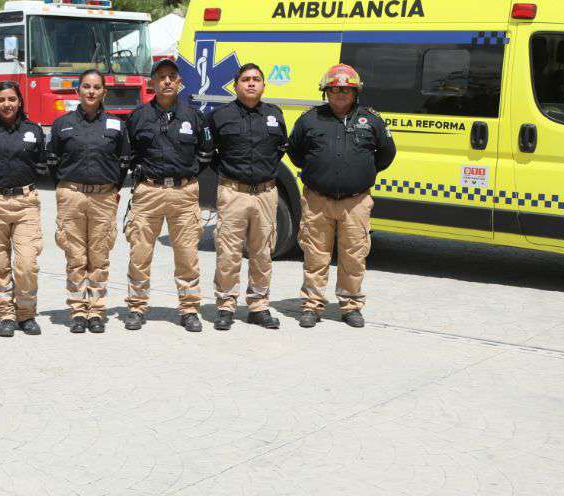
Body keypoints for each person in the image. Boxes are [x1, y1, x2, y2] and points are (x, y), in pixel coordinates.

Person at [287, 63, 396, 329]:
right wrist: (319, 171)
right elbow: (295, 152)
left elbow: (386, 154)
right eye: (334, 89)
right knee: (315, 255)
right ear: (325, 91)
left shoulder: (371, 119)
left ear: (355, 92)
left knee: (354, 256)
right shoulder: (310, 119)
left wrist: (359, 174)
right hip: (317, 201)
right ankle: (312, 306)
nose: (340, 93)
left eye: (346, 89)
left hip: (355, 202)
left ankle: (350, 306)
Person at [123, 58, 212, 332]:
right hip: (148, 191)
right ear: (152, 83)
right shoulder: (138, 117)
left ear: (180, 81)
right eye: (161, 77)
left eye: (172, 76)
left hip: (184, 193)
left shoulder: (194, 116)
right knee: (140, 252)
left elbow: (205, 153)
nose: (167, 81)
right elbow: (129, 154)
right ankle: (137, 307)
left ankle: (189, 309)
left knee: (187, 255)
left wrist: (189, 172)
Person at [47, 69, 128, 334]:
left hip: (104, 197)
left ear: (104, 91)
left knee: (99, 256)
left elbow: (124, 162)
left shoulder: (116, 124)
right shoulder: (62, 124)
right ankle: (78, 310)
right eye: (86, 87)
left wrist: (111, 187)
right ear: (78, 90)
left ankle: (96, 310)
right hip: (72, 195)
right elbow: (52, 161)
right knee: (75, 255)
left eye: (96, 87)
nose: (91, 91)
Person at [207, 63, 287, 331]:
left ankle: (258, 306)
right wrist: (229, 174)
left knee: (262, 252)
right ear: (236, 85)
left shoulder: (275, 115)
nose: (251, 83)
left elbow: (279, 150)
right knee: (228, 252)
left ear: (264, 85)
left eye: (256, 79)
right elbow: (209, 152)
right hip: (233, 192)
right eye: (245, 79)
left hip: (265, 193)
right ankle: (226, 306)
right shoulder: (221, 116)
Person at [0, 81, 46, 337]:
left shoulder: (33, 130)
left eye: (12, 99)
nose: (7, 104)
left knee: (26, 263)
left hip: (26, 204)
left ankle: (26, 313)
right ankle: (5, 313)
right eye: (2, 99)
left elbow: (42, 162)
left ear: (20, 102)